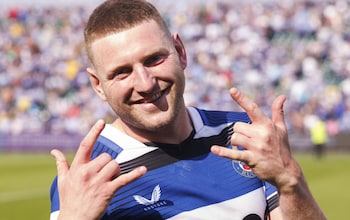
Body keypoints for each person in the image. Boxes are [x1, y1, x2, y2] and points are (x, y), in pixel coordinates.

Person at [50, 0, 326, 219]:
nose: (145, 84)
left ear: (180, 51)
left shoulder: (245, 135)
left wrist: (290, 180)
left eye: (154, 59)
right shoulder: (89, 178)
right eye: (122, 72)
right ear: (98, 85)